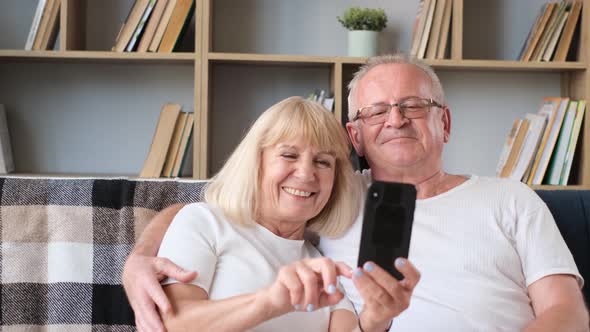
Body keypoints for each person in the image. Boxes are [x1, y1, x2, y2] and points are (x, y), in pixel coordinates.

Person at [124, 54, 589, 331]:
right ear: (356, 136)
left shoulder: (512, 198)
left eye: (414, 105)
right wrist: (141, 254)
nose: (396, 119)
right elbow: (217, 206)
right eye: (378, 111)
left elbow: (567, 314)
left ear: (443, 122)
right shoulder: (332, 203)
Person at [126, 96, 420, 332]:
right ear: (256, 163)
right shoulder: (203, 222)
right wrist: (270, 301)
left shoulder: (321, 264)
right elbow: (173, 324)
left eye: (323, 162)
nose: (306, 174)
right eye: (289, 155)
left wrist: (376, 321)